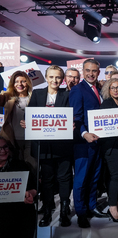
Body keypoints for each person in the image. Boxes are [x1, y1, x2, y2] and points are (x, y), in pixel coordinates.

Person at [24, 65, 72, 227]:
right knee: (47, 179)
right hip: (43, 145)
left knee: (64, 177)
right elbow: (29, 114)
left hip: (62, 144)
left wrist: (72, 124)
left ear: (62, 79)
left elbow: (72, 115)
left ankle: (64, 209)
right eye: (51, 77)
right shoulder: (37, 94)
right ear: (46, 77)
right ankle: (47, 209)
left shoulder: (67, 94)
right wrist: (26, 122)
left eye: (58, 77)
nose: (55, 80)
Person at [69, 59, 108, 228]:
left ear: (98, 72)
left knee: (94, 176)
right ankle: (81, 212)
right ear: (83, 71)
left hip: (99, 141)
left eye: (94, 71)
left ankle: (92, 206)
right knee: (81, 179)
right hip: (84, 143)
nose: (91, 73)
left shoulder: (99, 89)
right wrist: (84, 134)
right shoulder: (78, 90)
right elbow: (76, 117)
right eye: (88, 70)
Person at [100, 78, 118, 222]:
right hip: (110, 146)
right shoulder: (106, 104)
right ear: (108, 90)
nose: (115, 90)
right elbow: (102, 127)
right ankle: (112, 208)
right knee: (116, 175)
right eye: (112, 88)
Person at [0, 137, 37, 238]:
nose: (3, 151)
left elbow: (35, 188)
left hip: (19, 212)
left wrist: (30, 194)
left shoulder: (20, 165)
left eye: (5, 147)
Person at [0, 71, 35, 171]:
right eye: (16, 81)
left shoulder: (35, 97)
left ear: (28, 82)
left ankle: (31, 186)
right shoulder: (7, 96)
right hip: (11, 139)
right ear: (12, 83)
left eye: (23, 81)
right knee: (13, 167)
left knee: (32, 165)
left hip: (30, 139)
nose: (20, 84)